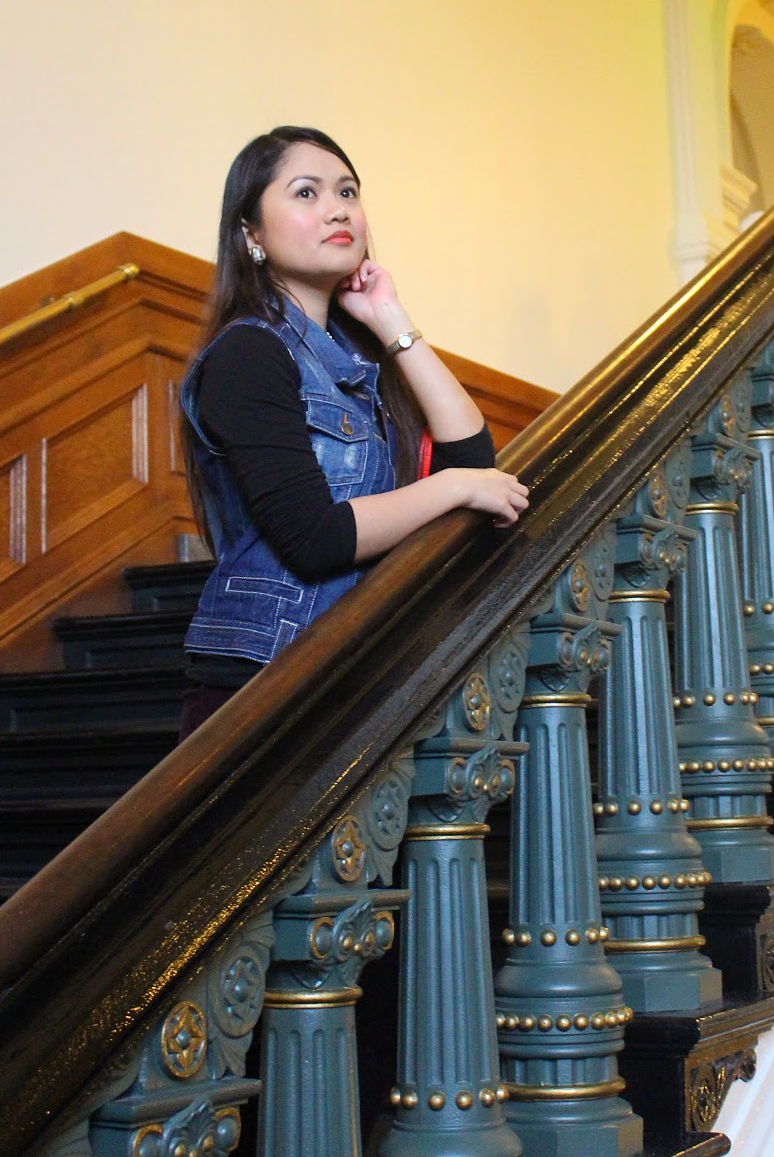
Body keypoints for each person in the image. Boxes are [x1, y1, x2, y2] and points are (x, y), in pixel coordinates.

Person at [178, 124, 529, 737]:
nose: (337, 209)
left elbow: (472, 457)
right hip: (265, 680)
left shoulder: (352, 361)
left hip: (349, 662)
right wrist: (454, 488)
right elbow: (315, 538)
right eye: (306, 193)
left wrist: (389, 317)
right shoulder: (248, 354)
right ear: (251, 234)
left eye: (347, 192)